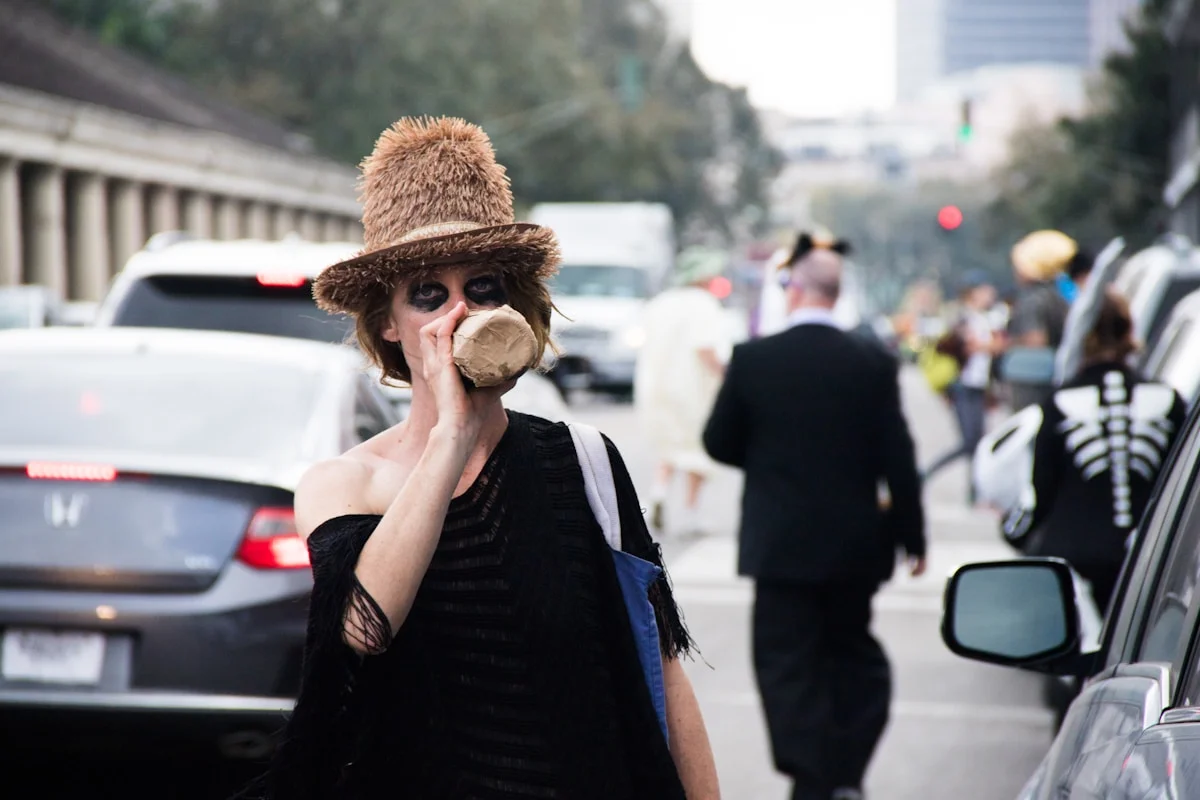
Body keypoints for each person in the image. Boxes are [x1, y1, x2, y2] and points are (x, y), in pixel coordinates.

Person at [238, 117, 719, 799]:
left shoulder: (582, 461)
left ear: (514, 306)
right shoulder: (345, 483)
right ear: (388, 323)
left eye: (483, 288)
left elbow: (662, 668)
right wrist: (451, 434)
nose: (460, 312)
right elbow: (363, 628)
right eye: (428, 295)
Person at [702, 240, 926, 800]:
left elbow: (718, 441)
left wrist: (769, 458)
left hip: (780, 542)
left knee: (786, 663)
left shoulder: (754, 359)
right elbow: (898, 457)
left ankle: (810, 774)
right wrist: (913, 537)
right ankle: (847, 771)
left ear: (793, 289)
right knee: (853, 653)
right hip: (855, 544)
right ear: (837, 292)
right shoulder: (873, 361)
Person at [1002, 290, 1187, 612]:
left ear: (1078, 335)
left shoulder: (1060, 402)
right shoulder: (1168, 401)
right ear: (1129, 332)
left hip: (1075, 561)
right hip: (1150, 561)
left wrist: (1013, 530)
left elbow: (1041, 490)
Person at [635, 245, 731, 536]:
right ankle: (691, 512)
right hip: (693, 389)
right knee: (696, 450)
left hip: (656, 387)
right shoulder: (705, 304)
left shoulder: (660, 303)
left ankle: (659, 493)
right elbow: (705, 348)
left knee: (669, 446)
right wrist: (728, 377)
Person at [922, 270, 1002, 503]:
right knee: (969, 442)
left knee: (978, 442)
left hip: (979, 387)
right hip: (962, 387)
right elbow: (956, 348)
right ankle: (927, 473)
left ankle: (975, 490)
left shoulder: (988, 319)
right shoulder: (961, 319)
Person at [1004, 229, 1076, 411]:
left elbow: (1036, 339)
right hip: (1054, 370)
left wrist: (1003, 344)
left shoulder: (1032, 299)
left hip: (1032, 376)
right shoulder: (1057, 294)